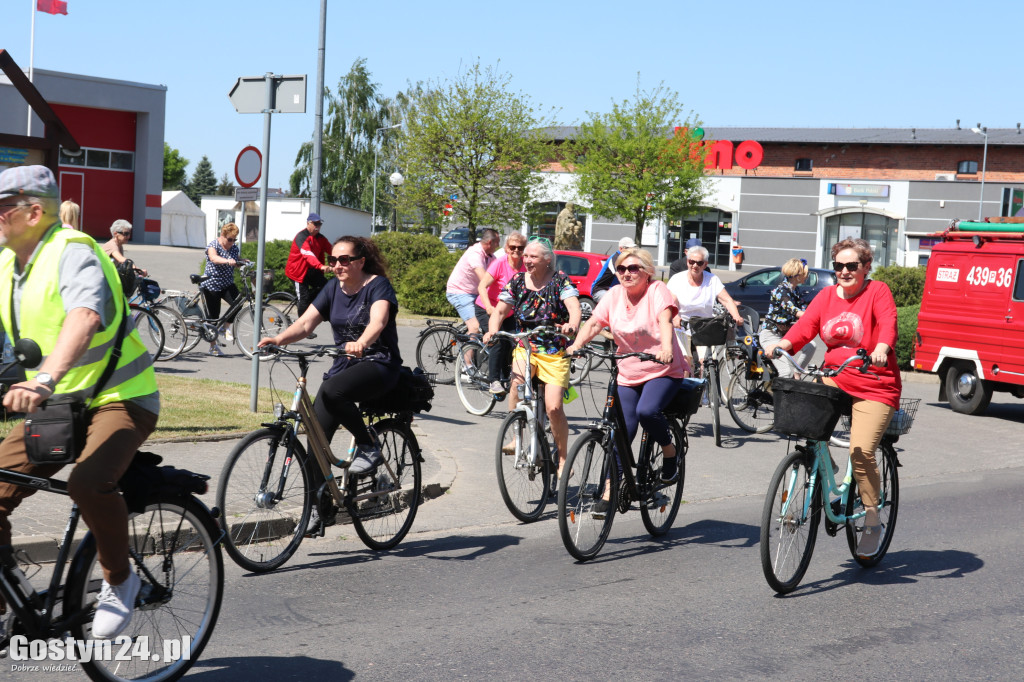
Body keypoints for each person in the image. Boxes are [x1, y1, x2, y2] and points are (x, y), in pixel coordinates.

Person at [0, 165, 159, 639]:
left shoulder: (73, 252)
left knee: (87, 482)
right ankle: (11, 599)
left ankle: (120, 579)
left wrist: (45, 378)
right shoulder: (9, 264)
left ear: (34, 211)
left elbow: (85, 316)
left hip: (120, 398)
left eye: (2, 207)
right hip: (56, 405)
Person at [763, 238, 901, 558]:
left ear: (866, 267)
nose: (844, 271)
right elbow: (805, 327)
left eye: (852, 266)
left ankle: (871, 520)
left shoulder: (876, 291)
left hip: (874, 385)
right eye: (838, 266)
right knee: (804, 415)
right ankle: (822, 463)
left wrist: (882, 348)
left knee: (861, 452)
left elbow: (888, 323)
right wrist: (782, 343)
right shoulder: (826, 296)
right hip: (837, 377)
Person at [258, 236, 402, 534]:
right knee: (316, 442)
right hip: (345, 365)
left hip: (379, 362)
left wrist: (361, 343)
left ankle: (368, 445)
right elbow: (306, 323)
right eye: (333, 260)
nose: (337, 265)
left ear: (361, 261)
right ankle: (317, 510)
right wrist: (278, 339)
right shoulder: (332, 289)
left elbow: (378, 321)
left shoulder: (378, 286)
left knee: (332, 390)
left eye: (344, 260)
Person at [567, 248, 690, 507]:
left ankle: (670, 453)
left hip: (661, 369)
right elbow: (594, 324)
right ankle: (610, 491)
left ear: (647, 273)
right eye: (621, 269)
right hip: (628, 370)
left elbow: (665, 320)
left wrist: (667, 349)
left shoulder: (657, 290)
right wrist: (576, 346)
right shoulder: (613, 295)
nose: (626, 274)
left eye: (633, 268)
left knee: (647, 411)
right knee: (621, 432)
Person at [484, 237, 581, 494]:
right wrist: (493, 331)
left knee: (554, 408)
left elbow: (574, 307)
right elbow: (500, 310)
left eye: (532, 257)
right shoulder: (517, 281)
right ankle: (517, 435)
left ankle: (562, 459)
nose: (526, 260)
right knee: (515, 383)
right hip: (526, 346)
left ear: (547, 259)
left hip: (554, 351)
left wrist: (571, 324)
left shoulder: (559, 281)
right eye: (525, 256)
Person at [666, 244, 744, 370]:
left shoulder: (712, 279)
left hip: (705, 326)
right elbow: (671, 302)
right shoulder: (677, 279)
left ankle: (707, 386)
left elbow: (727, 300)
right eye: (691, 262)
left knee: (707, 362)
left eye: (699, 263)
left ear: (705, 264)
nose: (695, 265)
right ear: (687, 262)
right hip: (682, 325)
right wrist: (675, 316)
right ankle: (686, 387)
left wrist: (736, 316)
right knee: (685, 362)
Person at [474, 231, 527, 398]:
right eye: (513, 247)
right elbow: (482, 286)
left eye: (520, 247)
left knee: (515, 343)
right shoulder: (499, 264)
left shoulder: (525, 266)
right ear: (506, 248)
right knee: (496, 341)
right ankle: (494, 381)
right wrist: (489, 307)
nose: (516, 250)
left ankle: (508, 378)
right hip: (487, 308)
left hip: (509, 312)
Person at [759, 257, 816, 379]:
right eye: (805, 274)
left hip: (785, 334)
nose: (807, 276)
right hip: (771, 334)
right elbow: (793, 309)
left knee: (811, 346)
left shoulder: (795, 290)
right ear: (797, 275)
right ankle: (780, 397)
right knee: (785, 372)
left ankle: (797, 373)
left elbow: (804, 308)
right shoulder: (781, 290)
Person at [446, 228, 500, 335]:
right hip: (460, 293)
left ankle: (478, 348)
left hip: (474, 293)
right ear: (490, 242)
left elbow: (498, 274)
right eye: (497, 243)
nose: (498, 246)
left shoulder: (490, 256)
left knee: (489, 322)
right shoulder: (475, 254)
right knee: (475, 328)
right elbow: (485, 279)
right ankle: (466, 351)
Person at [200, 222, 243, 356]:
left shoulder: (234, 248)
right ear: (222, 235)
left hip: (227, 283)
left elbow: (236, 260)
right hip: (211, 284)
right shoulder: (214, 245)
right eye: (229, 239)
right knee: (213, 317)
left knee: (238, 303)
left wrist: (242, 261)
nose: (231, 242)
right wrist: (227, 261)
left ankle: (226, 327)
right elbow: (213, 258)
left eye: (234, 239)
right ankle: (213, 347)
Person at [284, 212, 332, 322]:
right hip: (297, 272)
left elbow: (331, 250)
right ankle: (301, 325)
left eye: (319, 224)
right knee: (304, 298)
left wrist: (344, 259)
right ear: (308, 223)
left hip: (311, 271)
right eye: (315, 224)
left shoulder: (321, 238)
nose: (318, 227)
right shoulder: (301, 237)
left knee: (326, 287)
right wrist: (320, 266)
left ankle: (309, 306)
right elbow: (307, 254)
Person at [589, 236, 635, 303]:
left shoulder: (628, 259)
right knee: (615, 303)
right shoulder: (614, 259)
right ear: (621, 248)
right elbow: (620, 277)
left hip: (615, 290)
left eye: (632, 248)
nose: (631, 251)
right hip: (600, 290)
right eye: (628, 248)